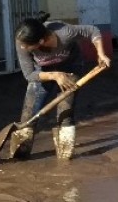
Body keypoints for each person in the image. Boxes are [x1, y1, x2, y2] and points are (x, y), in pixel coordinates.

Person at [11, 14, 111, 160]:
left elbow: (92, 30)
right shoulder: (22, 41)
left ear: (40, 41)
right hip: (43, 72)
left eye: (26, 45)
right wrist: (56, 75)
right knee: (28, 116)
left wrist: (101, 54)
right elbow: (29, 75)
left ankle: (64, 157)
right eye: (21, 44)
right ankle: (20, 156)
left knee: (65, 111)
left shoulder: (65, 33)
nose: (22, 47)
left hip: (70, 67)